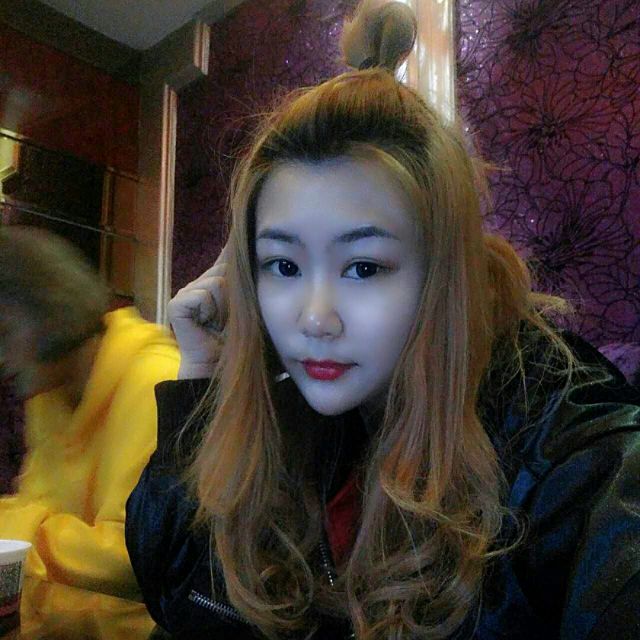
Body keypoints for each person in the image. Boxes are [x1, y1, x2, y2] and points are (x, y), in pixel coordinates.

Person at [125, 1, 640, 637]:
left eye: (364, 267)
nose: (315, 320)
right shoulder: (296, 411)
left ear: (441, 273)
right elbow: (182, 601)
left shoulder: (567, 451)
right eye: (283, 265)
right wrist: (203, 381)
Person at [0, 225, 180, 598]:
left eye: (4, 333)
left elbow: (130, 557)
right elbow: (39, 509)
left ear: (50, 310)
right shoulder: (48, 391)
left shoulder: (156, 380)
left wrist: (14, 529)